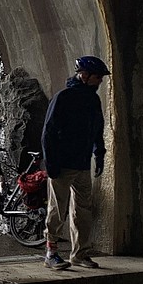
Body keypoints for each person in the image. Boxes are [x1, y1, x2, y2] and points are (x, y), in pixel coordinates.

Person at [40, 55, 109, 270]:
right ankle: (51, 253)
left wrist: (99, 153)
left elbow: (97, 128)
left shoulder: (93, 100)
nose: (100, 81)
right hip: (62, 164)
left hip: (81, 164)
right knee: (57, 210)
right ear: (84, 75)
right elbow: (48, 133)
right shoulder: (63, 98)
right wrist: (50, 163)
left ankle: (79, 254)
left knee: (83, 211)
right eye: (98, 77)